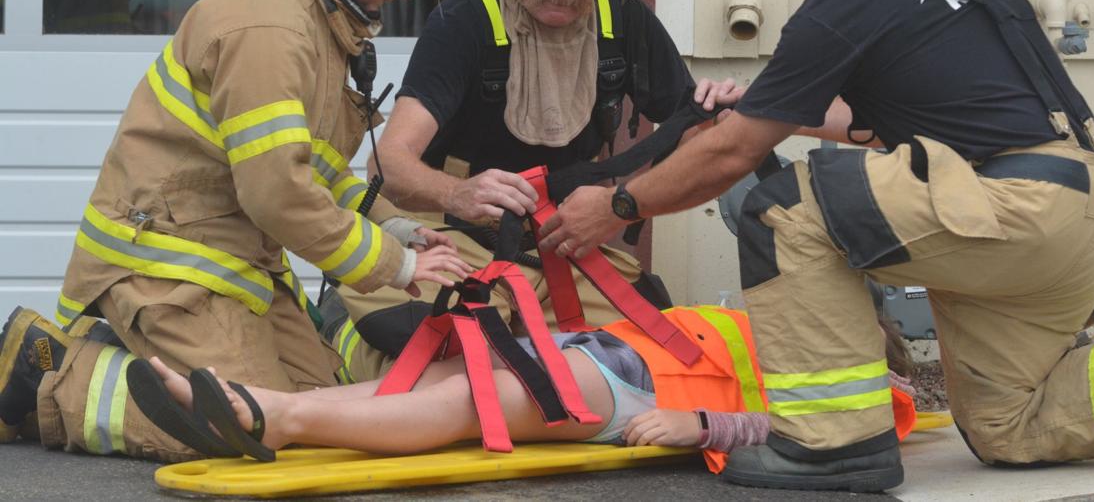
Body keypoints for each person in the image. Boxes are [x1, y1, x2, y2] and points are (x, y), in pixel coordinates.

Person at [540, 0, 1094, 492]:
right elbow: (887, 117)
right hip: (1077, 212)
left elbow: (735, 153)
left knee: (781, 209)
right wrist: (766, 107)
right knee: (1010, 427)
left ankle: (832, 445)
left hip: (1012, 206)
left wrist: (616, 205)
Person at [0, 0, 473, 461]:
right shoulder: (273, 30)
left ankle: (134, 354)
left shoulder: (324, 20)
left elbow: (315, 172)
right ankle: (50, 368)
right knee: (247, 423)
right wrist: (397, 265)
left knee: (320, 410)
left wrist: (397, 227)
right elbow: (277, 194)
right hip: (163, 261)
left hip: (232, 265)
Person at [329, 0, 741, 379]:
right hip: (457, 241)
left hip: (566, 249)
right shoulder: (468, 18)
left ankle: (529, 335)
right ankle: (344, 336)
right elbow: (390, 165)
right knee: (443, 352)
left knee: (662, 362)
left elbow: (707, 152)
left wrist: (708, 125)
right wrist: (459, 193)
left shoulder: (625, 21)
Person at [130, 306, 917, 475]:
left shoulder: (878, 392)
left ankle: (276, 421)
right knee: (432, 380)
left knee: (465, 407)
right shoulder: (775, 319)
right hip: (591, 351)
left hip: (628, 394)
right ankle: (234, 399)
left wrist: (703, 425)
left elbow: (818, 439)